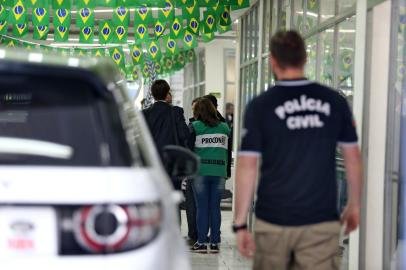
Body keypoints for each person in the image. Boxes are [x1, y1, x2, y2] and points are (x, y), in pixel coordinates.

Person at [234, 30, 363, 270]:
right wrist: (354, 204)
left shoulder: (261, 106)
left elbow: (247, 166)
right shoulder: (334, 102)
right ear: (305, 58)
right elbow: (353, 156)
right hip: (320, 222)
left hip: (273, 222)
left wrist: (240, 223)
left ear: (273, 60)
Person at [189, 97, 230, 254]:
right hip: (219, 173)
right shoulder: (225, 128)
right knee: (215, 208)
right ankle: (214, 243)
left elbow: (189, 150)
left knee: (202, 208)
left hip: (200, 172)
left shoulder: (195, 127)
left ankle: (201, 241)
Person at [142, 80, 189, 190]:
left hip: (151, 164)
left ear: (153, 94)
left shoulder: (144, 114)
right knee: (173, 198)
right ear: (167, 92)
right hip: (173, 164)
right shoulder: (176, 112)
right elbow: (184, 135)